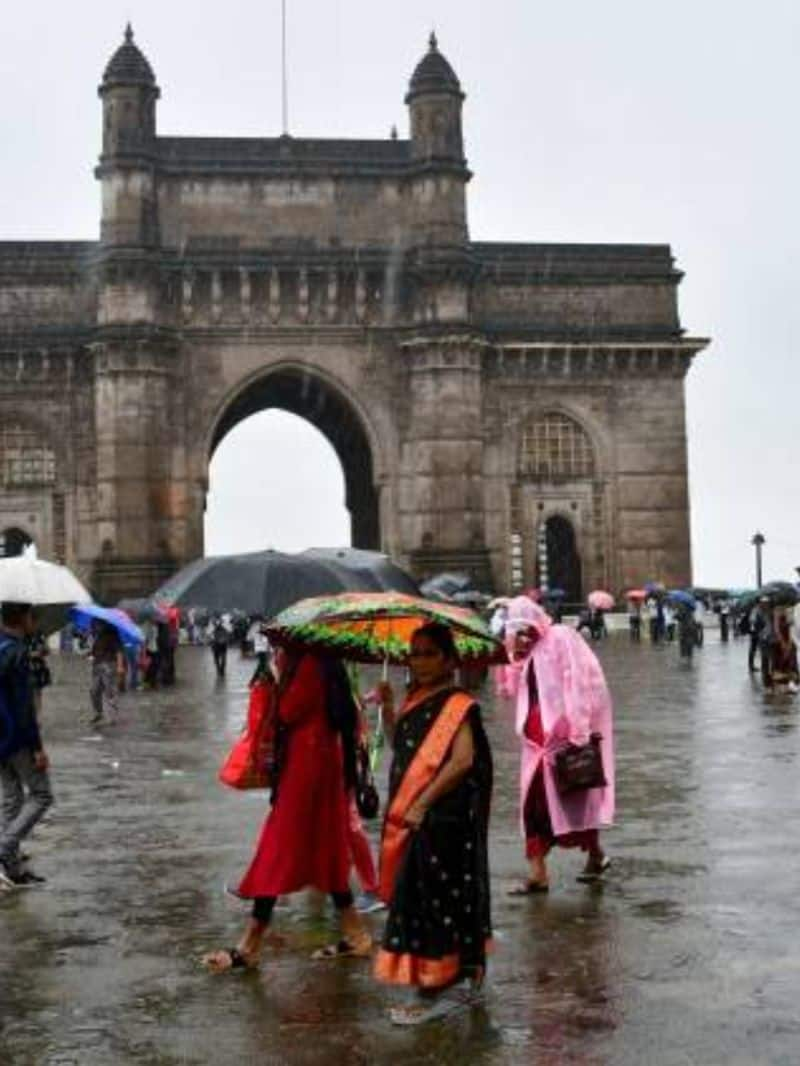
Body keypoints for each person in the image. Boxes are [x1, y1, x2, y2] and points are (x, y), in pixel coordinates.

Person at [203, 648, 372, 973]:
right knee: (327, 845)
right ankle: (355, 933)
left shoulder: (307, 662)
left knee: (278, 846)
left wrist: (278, 680)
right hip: (319, 761)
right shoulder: (323, 660)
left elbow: (290, 710)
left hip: (307, 765)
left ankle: (251, 943)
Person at [374, 623, 493, 1026]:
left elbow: (462, 761)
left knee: (437, 897)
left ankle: (442, 985)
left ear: (448, 658)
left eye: (428, 653)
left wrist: (423, 803)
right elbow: (402, 747)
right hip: (418, 813)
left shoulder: (458, 703)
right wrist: (389, 712)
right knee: (421, 898)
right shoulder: (415, 697)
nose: (419, 661)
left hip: (443, 818)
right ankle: (438, 981)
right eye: (414, 653)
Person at [506, 596, 614, 894]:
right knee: (534, 807)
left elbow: (580, 681)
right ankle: (539, 872)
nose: (523, 637)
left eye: (526, 630)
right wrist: (516, 657)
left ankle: (595, 854)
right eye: (517, 632)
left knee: (572, 801)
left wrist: (579, 729)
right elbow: (514, 689)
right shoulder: (526, 651)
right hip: (535, 746)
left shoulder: (560, 638)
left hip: (561, 741)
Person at [0, 602, 53, 887]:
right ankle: (4, 850)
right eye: (34, 616)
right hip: (16, 736)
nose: (36, 622)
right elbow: (24, 708)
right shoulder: (17, 653)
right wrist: (37, 748)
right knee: (42, 795)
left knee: (12, 799)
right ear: (22, 619)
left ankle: (11, 870)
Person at [89, 621, 126, 725]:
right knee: (94, 690)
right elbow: (94, 651)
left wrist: (120, 666)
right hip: (97, 664)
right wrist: (90, 655)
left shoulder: (112, 633)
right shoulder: (96, 635)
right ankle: (98, 712)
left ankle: (112, 716)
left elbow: (119, 650)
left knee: (110, 691)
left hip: (109, 664)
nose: (94, 626)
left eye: (95, 624)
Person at [770, 611, 799, 691]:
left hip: (785, 641)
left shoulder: (788, 613)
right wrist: (782, 642)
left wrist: (789, 643)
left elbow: (790, 628)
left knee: (788, 662)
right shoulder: (777, 613)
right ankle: (779, 686)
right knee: (780, 663)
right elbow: (777, 630)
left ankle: (787, 685)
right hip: (778, 643)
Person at [27, 630, 52, 716]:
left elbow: (48, 651)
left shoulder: (40, 635)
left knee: (37, 692)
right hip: (24, 666)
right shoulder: (20, 634)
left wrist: (44, 650)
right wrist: (31, 654)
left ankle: (37, 715)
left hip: (37, 668)